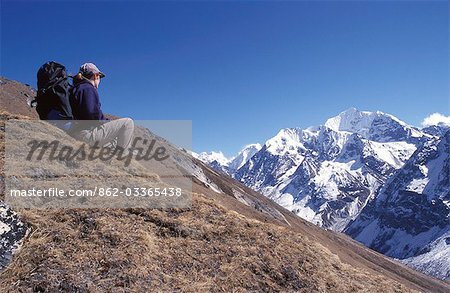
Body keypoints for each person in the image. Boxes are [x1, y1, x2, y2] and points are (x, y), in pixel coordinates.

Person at [69, 62, 135, 154]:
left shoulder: (76, 89)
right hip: (86, 134)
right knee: (128, 123)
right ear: (96, 75)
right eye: (99, 77)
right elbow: (92, 113)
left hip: (76, 132)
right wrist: (106, 122)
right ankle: (123, 159)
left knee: (115, 142)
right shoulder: (88, 88)